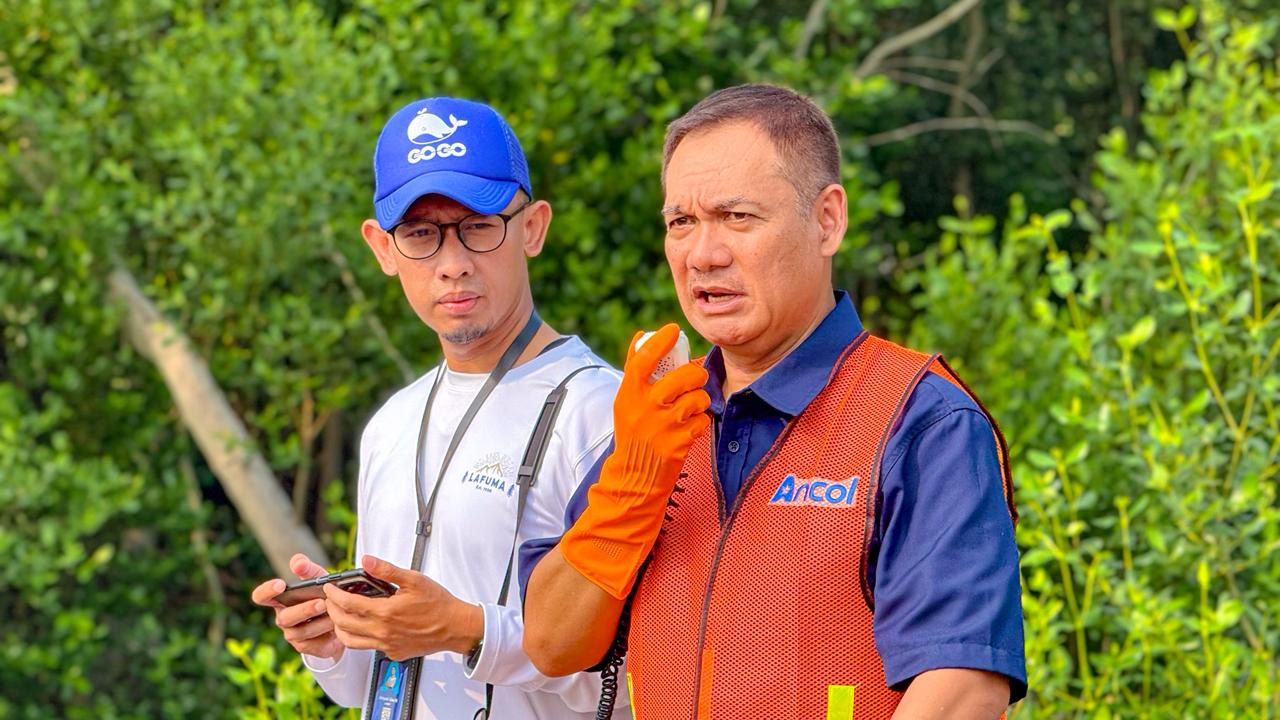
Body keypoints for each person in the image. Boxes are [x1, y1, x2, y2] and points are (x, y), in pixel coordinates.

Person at [520, 84, 1025, 719]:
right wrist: (628, 491)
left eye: (737, 216)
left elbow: (964, 688)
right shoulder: (665, 416)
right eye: (681, 222)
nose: (703, 255)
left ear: (827, 221)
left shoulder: (923, 420)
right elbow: (552, 644)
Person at [250, 96, 629, 719]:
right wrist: (332, 642)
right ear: (383, 249)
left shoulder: (603, 413)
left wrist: (465, 630)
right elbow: (369, 685)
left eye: (478, 226)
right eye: (421, 234)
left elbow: (638, 672)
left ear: (533, 228)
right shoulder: (390, 425)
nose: (452, 265)